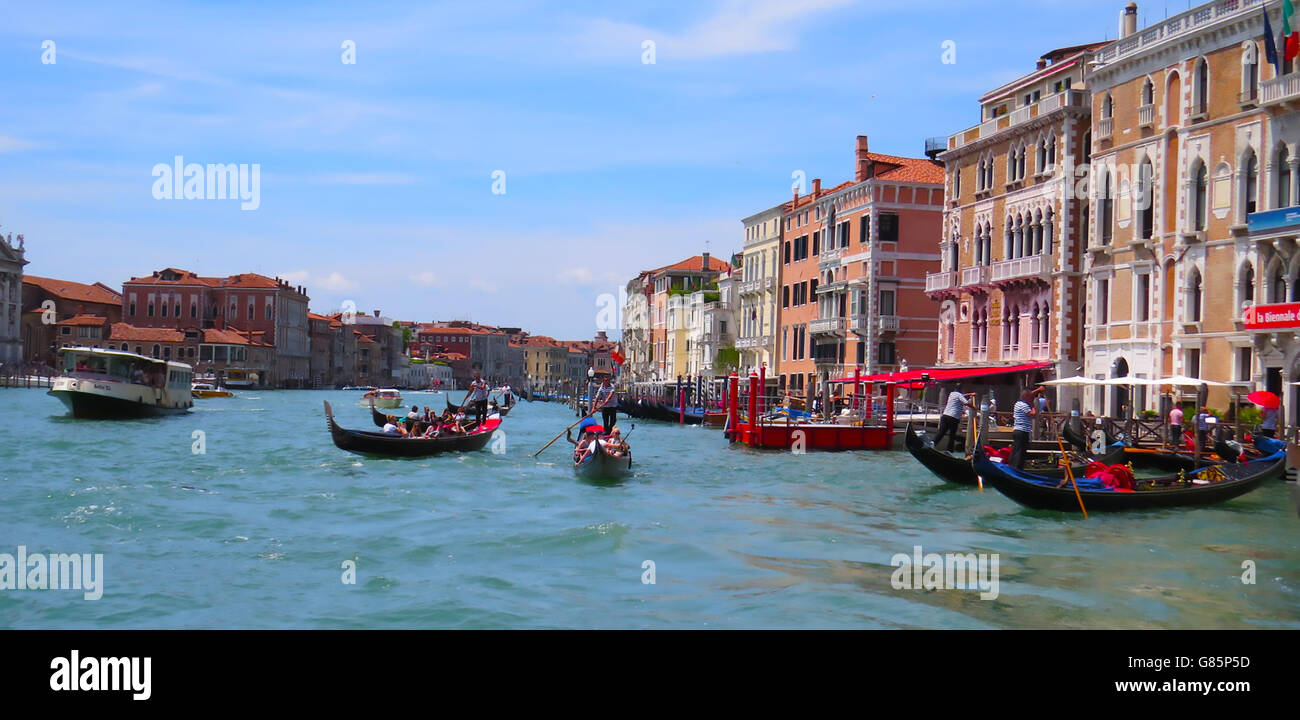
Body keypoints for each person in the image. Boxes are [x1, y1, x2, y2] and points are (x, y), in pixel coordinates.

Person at [934, 387, 975, 452]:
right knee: (952, 435)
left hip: (945, 416)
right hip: (953, 417)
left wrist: (970, 394)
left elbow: (962, 395)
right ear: (960, 391)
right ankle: (949, 450)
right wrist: (974, 407)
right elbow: (966, 403)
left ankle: (933, 443)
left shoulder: (952, 394)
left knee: (941, 432)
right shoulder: (959, 395)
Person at [1009, 388, 1041, 470]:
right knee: (1020, 452)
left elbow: (1029, 394)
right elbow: (1033, 415)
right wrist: (1033, 405)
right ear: (1026, 397)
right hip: (1022, 431)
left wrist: (1035, 392)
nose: (1031, 398)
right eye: (1030, 397)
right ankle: (1016, 469)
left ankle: (1013, 467)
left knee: (1016, 450)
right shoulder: (1024, 405)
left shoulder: (1018, 403)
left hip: (1018, 430)